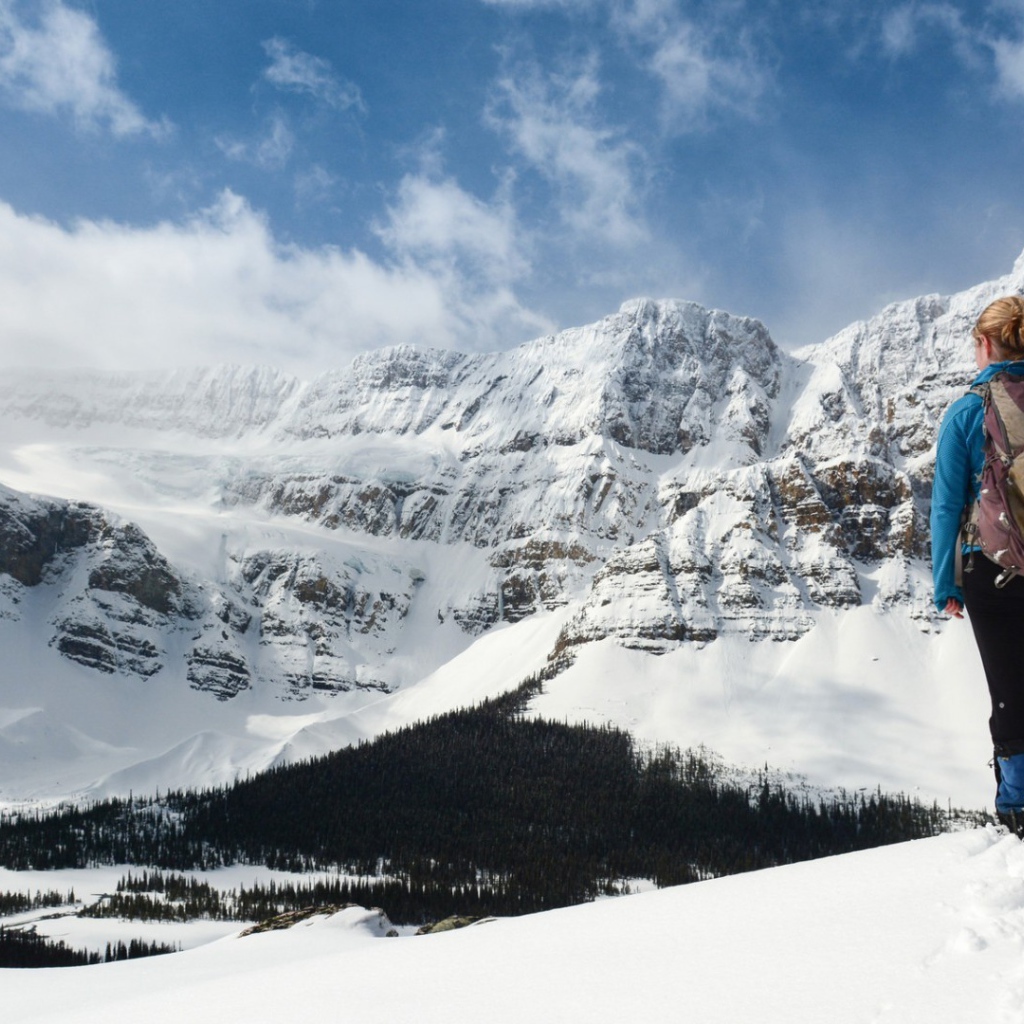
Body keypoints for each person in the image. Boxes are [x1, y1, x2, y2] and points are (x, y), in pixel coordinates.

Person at [932, 295, 1024, 833]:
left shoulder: (968, 410)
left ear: (985, 344)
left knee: (1010, 689)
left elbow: (946, 505)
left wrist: (948, 583)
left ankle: (1016, 806)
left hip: (994, 570)